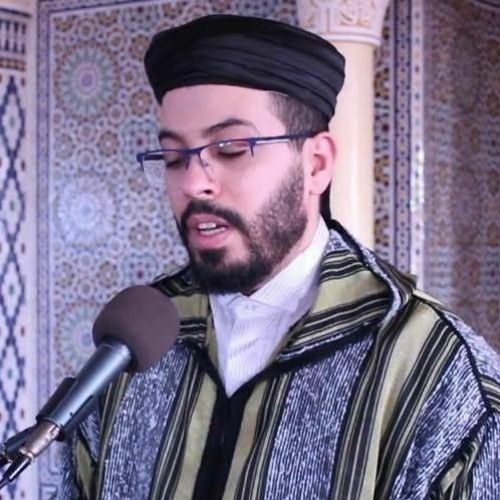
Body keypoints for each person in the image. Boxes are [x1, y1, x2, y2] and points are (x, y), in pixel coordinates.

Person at [57, 14, 500, 500]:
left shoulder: (436, 371)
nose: (193, 183)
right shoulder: (133, 346)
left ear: (316, 165)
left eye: (231, 149)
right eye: (174, 157)